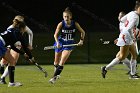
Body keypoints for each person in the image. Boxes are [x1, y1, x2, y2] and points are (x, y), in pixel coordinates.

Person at [101, 0, 140, 79]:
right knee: (122, 57)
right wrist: (133, 37)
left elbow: (122, 20)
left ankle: (132, 74)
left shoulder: (131, 13)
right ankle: (105, 68)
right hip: (126, 37)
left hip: (126, 36)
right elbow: (129, 29)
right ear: (138, 8)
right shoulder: (135, 17)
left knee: (134, 55)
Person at [49, 7, 85, 84]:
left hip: (69, 45)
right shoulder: (61, 24)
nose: (66, 18)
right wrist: (57, 42)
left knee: (62, 62)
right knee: (56, 62)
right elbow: (55, 35)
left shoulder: (75, 24)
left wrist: (81, 40)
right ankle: (57, 74)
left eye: (67, 16)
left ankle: (54, 78)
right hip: (60, 43)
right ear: (63, 17)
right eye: (64, 16)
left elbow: (83, 32)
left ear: (70, 17)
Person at [0, 18, 35, 87]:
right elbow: (25, 47)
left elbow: (12, 47)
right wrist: (31, 57)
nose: (25, 30)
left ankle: (11, 83)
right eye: (24, 29)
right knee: (12, 61)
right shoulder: (18, 34)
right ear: (21, 28)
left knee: (12, 61)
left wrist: (23, 54)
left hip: (2, 45)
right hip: (0, 44)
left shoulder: (12, 30)